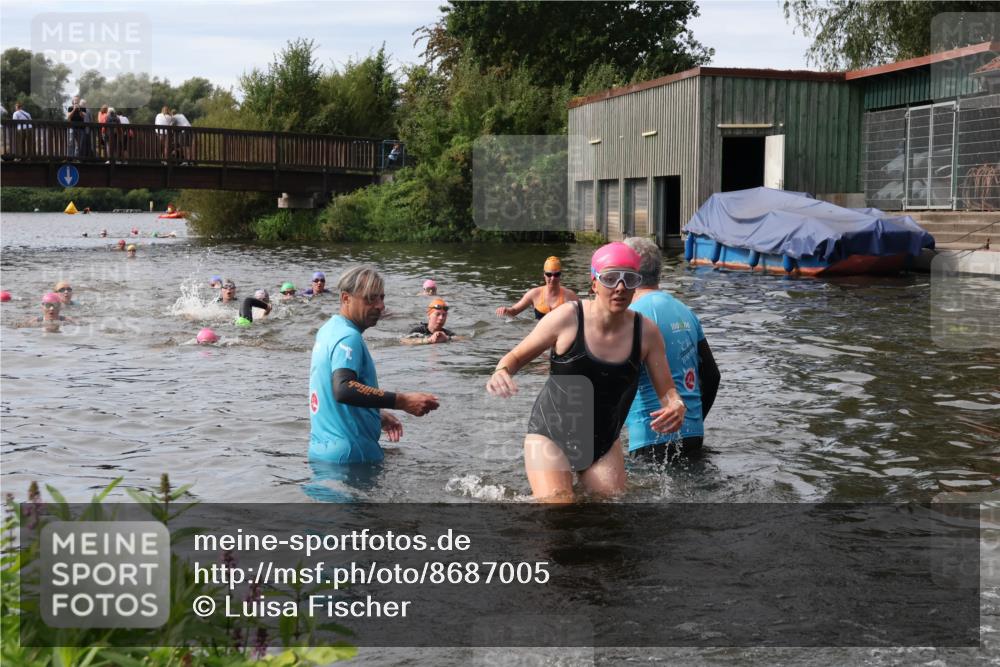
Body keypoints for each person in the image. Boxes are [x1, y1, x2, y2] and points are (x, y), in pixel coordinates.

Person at [486, 242, 686, 502]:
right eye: (611, 279)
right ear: (594, 283)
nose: (620, 287)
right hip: (551, 433)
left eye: (629, 279)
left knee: (608, 510)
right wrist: (501, 371)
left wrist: (677, 404)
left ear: (637, 284)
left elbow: (668, 390)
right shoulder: (567, 317)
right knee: (559, 505)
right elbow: (514, 357)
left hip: (602, 440)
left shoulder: (646, 332)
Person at [309, 266, 439, 464]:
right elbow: (344, 389)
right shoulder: (348, 337)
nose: (379, 305)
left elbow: (330, 394)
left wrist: (373, 414)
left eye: (381, 298)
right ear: (346, 298)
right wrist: (401, 401)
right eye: (370, 298)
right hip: (352, 455)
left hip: (321, 452)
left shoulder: (328, 330)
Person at [622, 237, 721, 463]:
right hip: (693, 432)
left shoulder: (630, 317)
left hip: (649, 435)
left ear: (629, 272)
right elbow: (712, 376)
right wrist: (693, 421)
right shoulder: (686, 311)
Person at [496, 256, 579, 320]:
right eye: (549, 274)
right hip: (540, 335)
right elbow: (514, 311)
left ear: (560, 275)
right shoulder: (534, 294)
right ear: (544, 274)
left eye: (556, 275)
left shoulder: (569, 296)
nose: (553, 278)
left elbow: (582, 317)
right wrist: (505, 310)